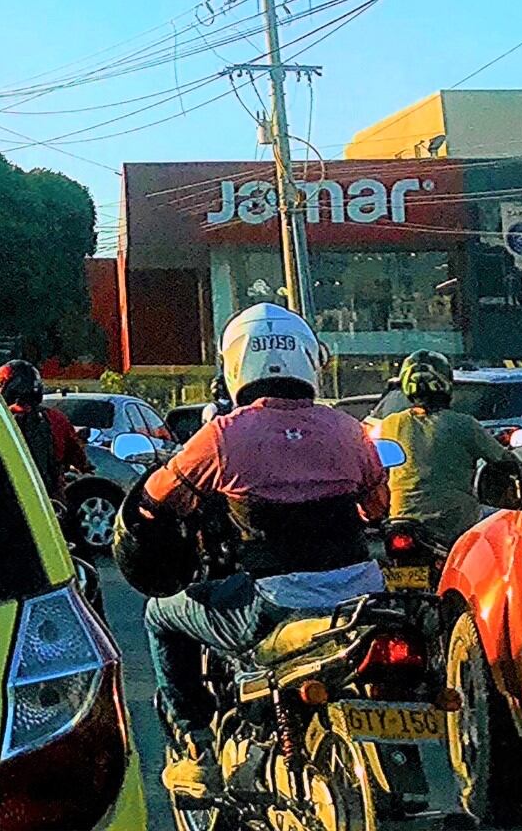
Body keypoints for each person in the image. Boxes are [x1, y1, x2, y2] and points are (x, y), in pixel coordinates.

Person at [133, 304, 387, 802]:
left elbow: (156, 500)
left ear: (235, 363)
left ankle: (196, 748)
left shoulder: (224, 435)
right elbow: (377, 510)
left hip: (273, 602)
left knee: (159, 614)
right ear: (309, 360)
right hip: (362, 594)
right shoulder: (349, 430)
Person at [375, 350, 522, 546]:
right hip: (456, 521)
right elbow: (508, 463)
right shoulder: (464, 424)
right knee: (508, 526)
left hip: (401, 519)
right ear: (446, 382)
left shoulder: (389, 424)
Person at [0, 359, 91, 499]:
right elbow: (77, 455)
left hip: (5, 496)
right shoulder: (55, 419)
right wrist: (84, 465)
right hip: (46, 500)